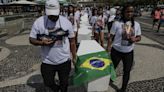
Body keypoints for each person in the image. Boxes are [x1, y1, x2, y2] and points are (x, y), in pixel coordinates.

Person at [29, 0, 76, 92]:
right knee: (48, 83)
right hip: (47, 62)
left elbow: (72, 41)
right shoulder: (39, 22)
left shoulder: (66, 22)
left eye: (55, 14)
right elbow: (31, 39)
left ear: (59, 10)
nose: (53, 17)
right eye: (50, 14)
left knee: (65, 83)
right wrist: (42, 43)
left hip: (64, 61)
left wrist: (74, 56)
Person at [107, 3, 141, 92]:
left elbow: (139, 37)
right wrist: (108, 48)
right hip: (116, 51)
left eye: (131, 11)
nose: (129, 13)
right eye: (127, 11)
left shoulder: (136, 24)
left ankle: (123, 88)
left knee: (127, 71)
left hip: (129, 52)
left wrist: (135, 39)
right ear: (123, 12)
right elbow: (111, 36)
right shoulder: (117, 23)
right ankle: (108, 79)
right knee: (112, 67)